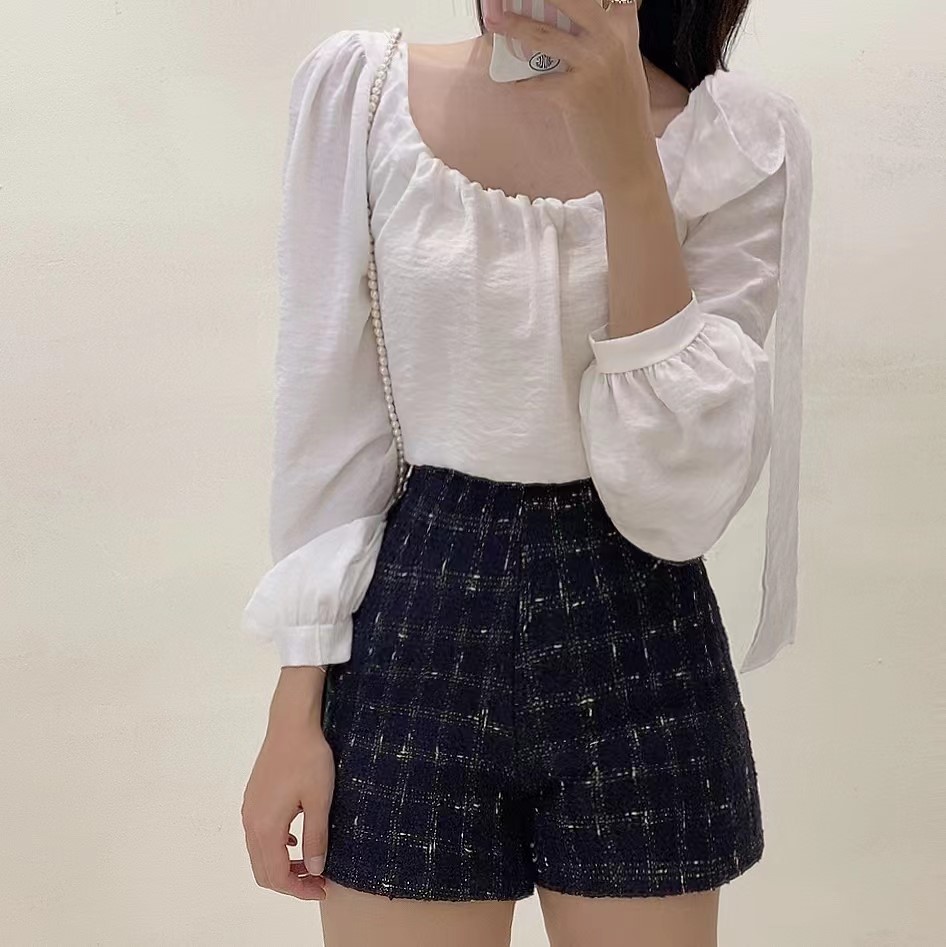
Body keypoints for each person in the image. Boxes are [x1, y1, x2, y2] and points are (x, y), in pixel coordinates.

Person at [240, 0, 813, 943]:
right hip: (416, 620)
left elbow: (674, 493)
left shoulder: (735, 142)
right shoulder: (366, 94)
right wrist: (293, 707)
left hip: (640, 625)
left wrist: (627, 164)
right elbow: (328, 416)